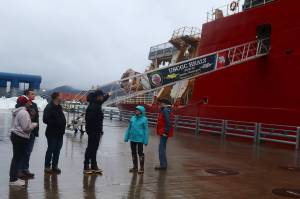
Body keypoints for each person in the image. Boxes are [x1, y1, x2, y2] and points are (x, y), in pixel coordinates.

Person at [9, 96, 38, 186]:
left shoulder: (19, 111)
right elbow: (26, 128)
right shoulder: (24, 113)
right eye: (28, 102)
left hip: (16, 136)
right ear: (25, 103)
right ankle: (13, 180)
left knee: (16, 158)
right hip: (20, 137)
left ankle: (14, 178)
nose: (30, 103)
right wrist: (34, 124)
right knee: (17, 158)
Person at [83, 90, 110, 174]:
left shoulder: (96, 103)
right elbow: (89, 119)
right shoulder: (93, 106)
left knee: (94, 148)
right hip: (93, 130)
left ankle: (94, 165)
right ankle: (86, 165)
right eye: (101, 96)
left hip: (97, 130)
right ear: (98, 96)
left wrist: (108, 95)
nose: (102, 97)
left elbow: (103, 100)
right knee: (90, 148)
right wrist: (92, 130)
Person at [16, 89, 39, 179]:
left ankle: (25, 168)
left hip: (32, 131)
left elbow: (36, 118)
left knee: (28, 151)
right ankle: (19, 170)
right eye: (32, 94)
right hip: (24, 132)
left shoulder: (34, 105)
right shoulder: (21, 105)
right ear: (26, 95)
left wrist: (36, 130)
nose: (34, 95)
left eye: (34, 94)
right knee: (22, 151)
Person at [43, 92, 66, 174]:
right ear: (56, 97)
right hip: (52, 132)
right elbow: (45, 119)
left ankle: (55, 166)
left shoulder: (59, 107)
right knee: (51, 149)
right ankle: (47, 166)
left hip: (60, 133)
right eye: (60, 95)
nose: (62, 96)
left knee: (57, 150)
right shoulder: (49, 107)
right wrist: (56, 122)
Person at [124, 106, 149, 174]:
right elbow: (129, 128)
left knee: (140, 153)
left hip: (140, 139)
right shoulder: (132, 118)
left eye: (138, 110)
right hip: (132, 138)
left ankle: (141, 168)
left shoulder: (144, 119)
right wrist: (126, 137)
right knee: (133, 152)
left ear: (141, 111)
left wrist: (146, 140)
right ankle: (135, 167)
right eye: (136, 110)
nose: (136, 111)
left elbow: (146, 131)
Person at [155, 99, 174, 171]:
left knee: (161, 149)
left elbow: (168, 122)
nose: (160, 105)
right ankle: (163, 164)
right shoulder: (166, 110)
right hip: (163, 131)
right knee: (162, 148)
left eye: (161, 103)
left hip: (163, 132)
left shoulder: (165, 110)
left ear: (164, 103)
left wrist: (165, 132)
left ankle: (163, 165)